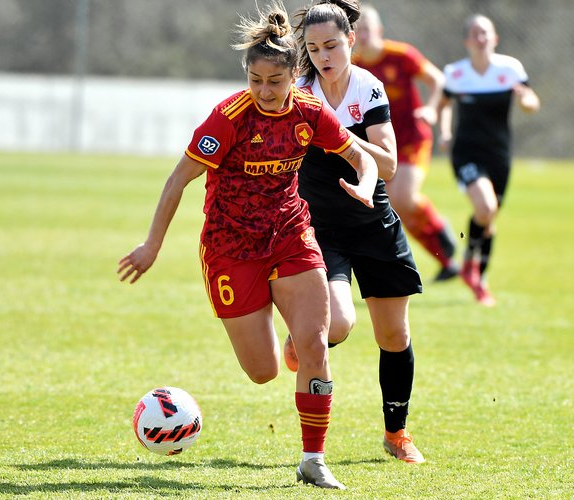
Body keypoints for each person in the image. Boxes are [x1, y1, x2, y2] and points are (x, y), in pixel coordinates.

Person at [117, 3, 378, 490]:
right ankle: (292, 344)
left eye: (274, 81)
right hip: (230, 246)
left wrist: (365, 182)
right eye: (256, 80)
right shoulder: (228, 118)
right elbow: (179, 180)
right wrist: (152, 244)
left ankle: (313, 459)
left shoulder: (309, 111)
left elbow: (359, 155)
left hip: (290, 235)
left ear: (293, 75)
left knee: (318, 344)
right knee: (262, 372)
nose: (264, 91)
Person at [282, 0, 425, 464]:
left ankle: (396, 433)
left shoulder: (369, 88)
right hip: (322, 227)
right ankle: (303, 339)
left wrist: (340, 136)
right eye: (314, 47)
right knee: (339, 322)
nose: (323, 55)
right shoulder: (298, 92)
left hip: (374, 223)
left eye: (331, 46)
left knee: (394, 335)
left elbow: (387, 165)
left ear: (351, 42)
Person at [351, 4, 460, 282]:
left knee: (404, 198)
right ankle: (444, 256)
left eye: (367, 30)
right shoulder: (354, 66)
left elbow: (438, 79)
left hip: (413, 139)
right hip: (383, 145)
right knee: (397, 205)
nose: (363, 36)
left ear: (379, 31)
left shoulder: (401, 55)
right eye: (358, 30)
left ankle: (439, 228)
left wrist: (432, 109)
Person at [438, 14, 541, 306]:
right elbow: (444, 104)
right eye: (475, 33)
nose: (481, 38)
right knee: (486, 207)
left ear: (494, 38)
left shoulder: (510, 69)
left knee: (489, 216)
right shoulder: (456, 73)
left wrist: (526, 102)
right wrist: (445, 132)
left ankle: (478, 278)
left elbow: (532, 100)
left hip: (499, 154)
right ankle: (472, 266)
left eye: (486, 33)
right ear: (467, 41)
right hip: (466, 152)